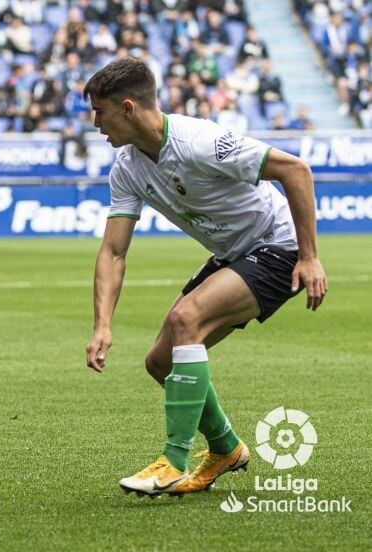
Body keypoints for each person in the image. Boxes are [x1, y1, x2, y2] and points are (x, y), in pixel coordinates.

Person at [82, 58, 326, 497]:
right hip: (235, 253)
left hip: (279, 246)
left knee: (186, 321)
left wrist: (309, 257)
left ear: (129, 108)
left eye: (100, 111)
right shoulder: (127, 167)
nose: (95, 122)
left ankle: (172, 462)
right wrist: (102, 324)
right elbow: (114, 251)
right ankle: (226, 448)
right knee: (161, 361)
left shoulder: (202, 141)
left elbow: (296, 170)